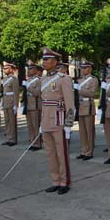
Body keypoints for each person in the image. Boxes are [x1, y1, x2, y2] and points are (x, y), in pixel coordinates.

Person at [40, 47, 75, 195]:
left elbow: (70, 104)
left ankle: (64, 181)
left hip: (59, 120)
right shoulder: (44, 79)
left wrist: (68, 124)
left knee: (61, 153)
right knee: (50, 153)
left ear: (55, 62)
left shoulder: (64, 79)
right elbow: (44, 102)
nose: (44, 62)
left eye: (47, 59)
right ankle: (55, 180)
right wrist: (41, 124)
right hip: (46, 120)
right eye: (44, 59)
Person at [75, 59, 98, 160]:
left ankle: (89, 152)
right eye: (82, 68)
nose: (82, 70)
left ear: (89, 68)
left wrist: (79, 90)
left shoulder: (93, 79)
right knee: (82, 131)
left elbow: (92, 93)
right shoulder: (79, 80)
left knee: (89, 130)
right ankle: (83, 150)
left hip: (88, 105)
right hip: (80, 105)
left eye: (85, 68)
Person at [23, 60, 42, 151]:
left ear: (35, 70)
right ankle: (32, 141)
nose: (28, 71)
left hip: (35, 105)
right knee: (30, 125)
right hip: (28, 105)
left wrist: (28, 87)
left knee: (35, 125)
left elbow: (37, 93)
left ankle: (38, 143)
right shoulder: (28, 80)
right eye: (28, 69)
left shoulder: (38, 80)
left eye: (31, 69)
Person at [1, 61, 19, 146]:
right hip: (5, 102)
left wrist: (16, 105)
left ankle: (13, 139)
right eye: (4, 68)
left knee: (12, 122)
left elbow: (16, 93)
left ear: (11, 69)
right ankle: (8, 138)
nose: (4, 70)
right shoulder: (4, 79)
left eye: (6, 68)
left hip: (11, 102)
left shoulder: (14, 79)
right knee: (7, 121)